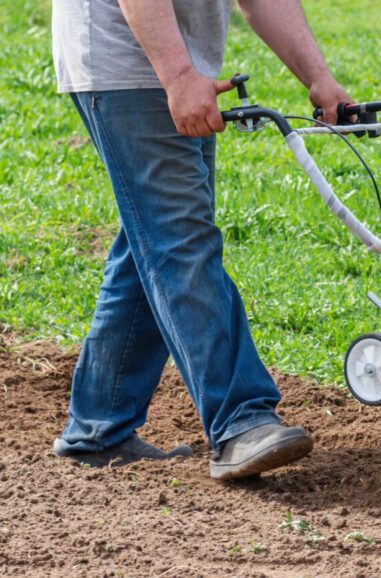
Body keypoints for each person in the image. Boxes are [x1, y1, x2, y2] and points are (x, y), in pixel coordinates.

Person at [50, 0, 354, 479]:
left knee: (155, 240)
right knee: (180, 243)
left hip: (183, 64)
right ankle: (240, 420)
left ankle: (98, 427)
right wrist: (178, 77)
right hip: (129, 61)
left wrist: (318, 77)